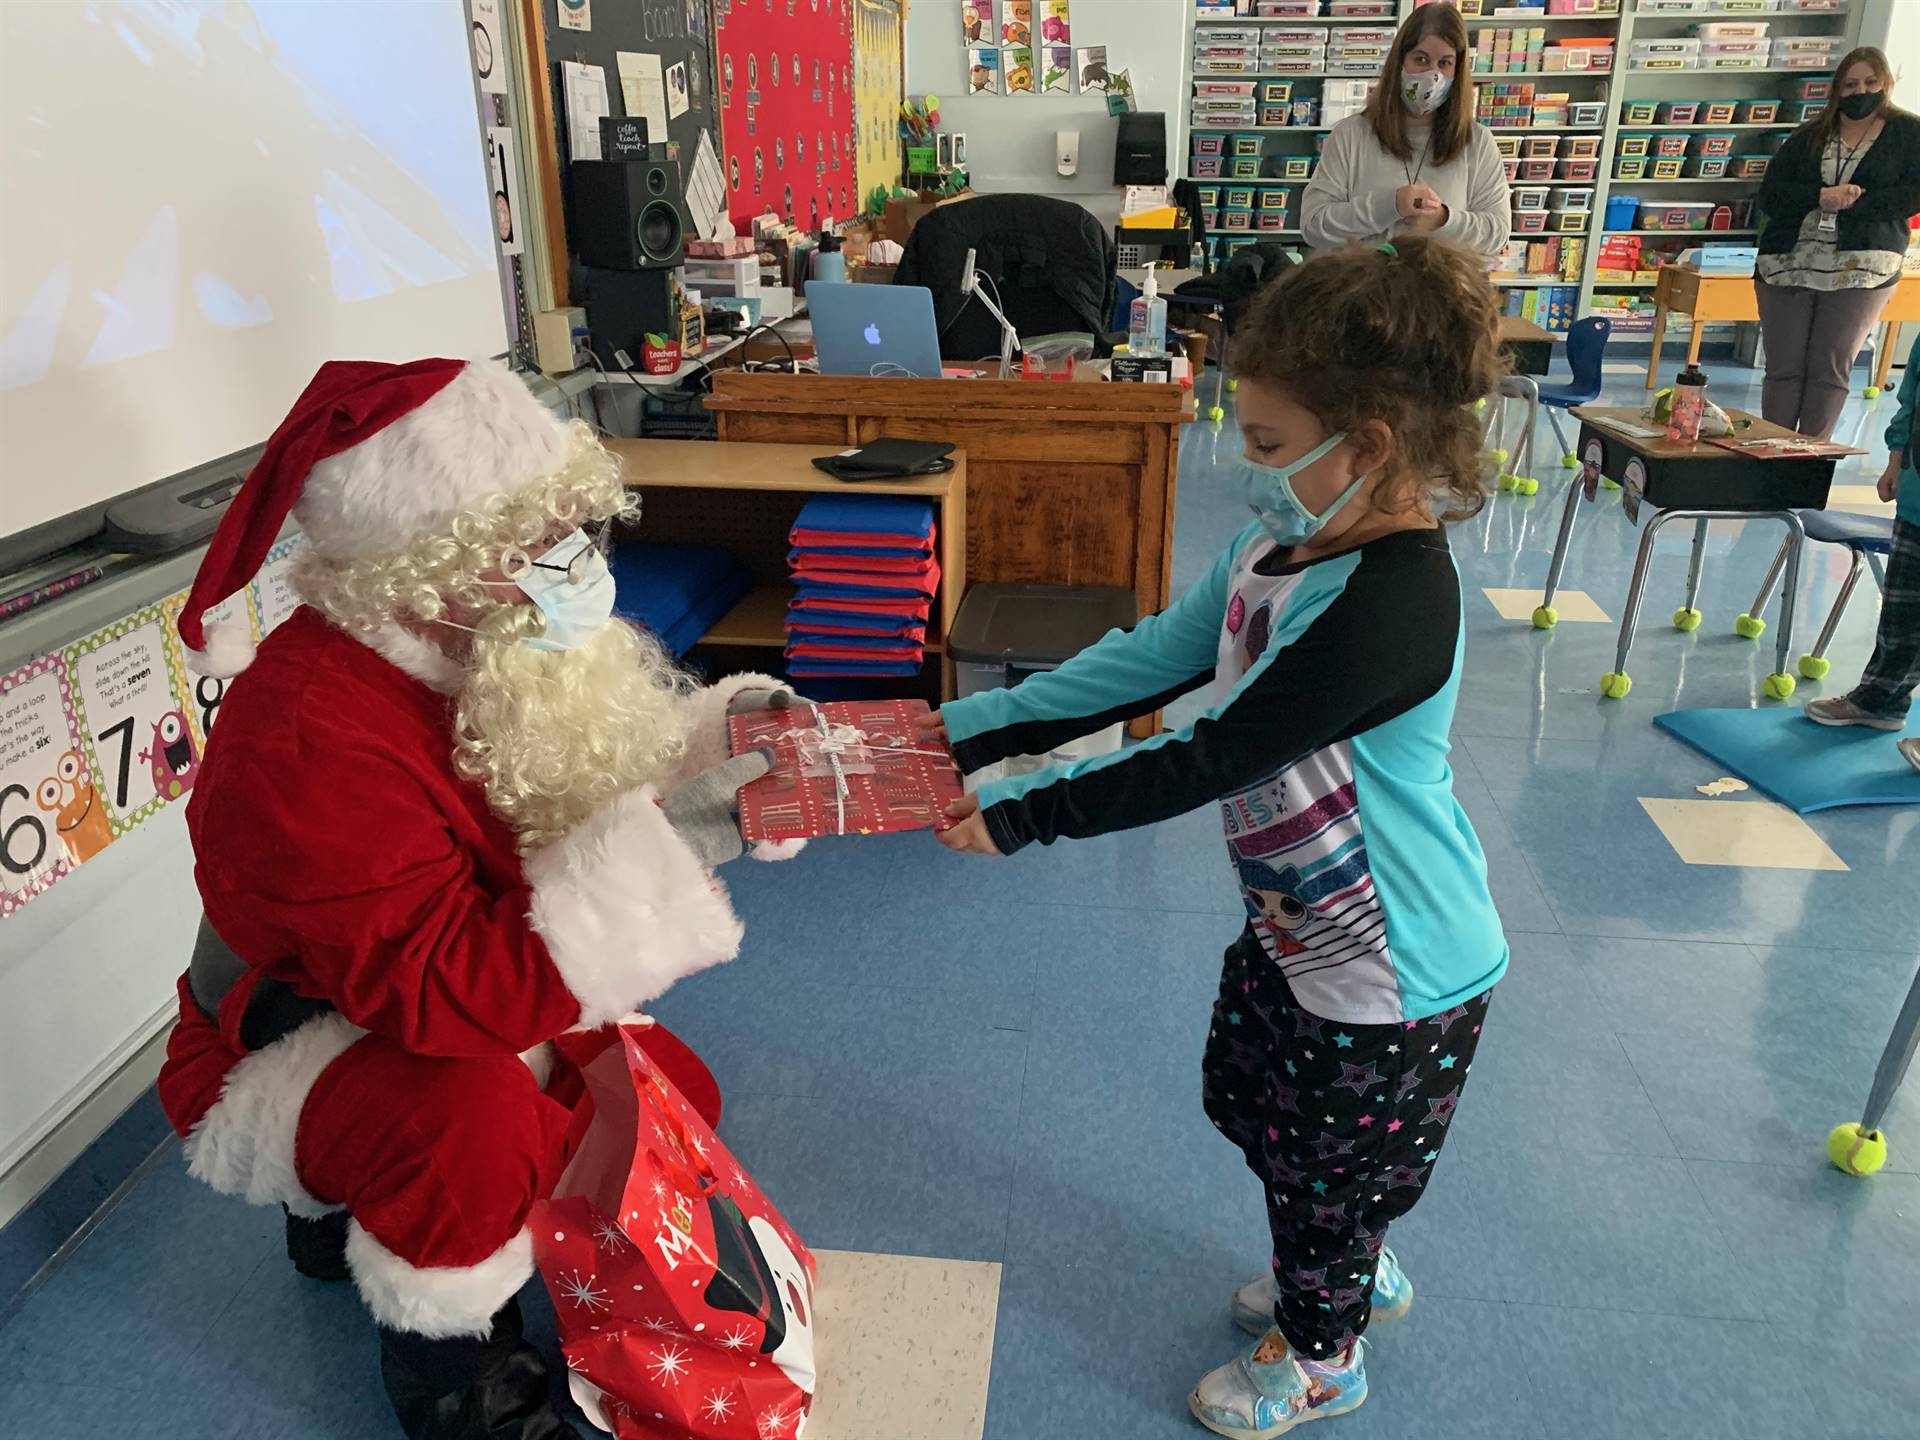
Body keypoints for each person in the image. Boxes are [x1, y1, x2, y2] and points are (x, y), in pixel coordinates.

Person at [924, 238, 1507, 1439]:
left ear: (1374, 446)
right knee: (1262, 1115)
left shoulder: (1394, 602)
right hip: (1300, 929)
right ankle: (1345, 1267)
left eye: (1271, 446)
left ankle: (1327, 1346)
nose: (1245, 468)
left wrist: (1028, 813)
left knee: (1324, 1167)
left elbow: (1215, 753)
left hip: (1395, 966)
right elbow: (1147, 662)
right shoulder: (1276, 550)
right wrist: (968, 731)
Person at [156, 359, 800, 1440]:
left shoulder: (479, 645)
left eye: (568, 528)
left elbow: (593, 785)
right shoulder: (312, 734)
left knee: (649, 1095)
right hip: (278, 1035)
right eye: (533, 542)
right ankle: (457, 1380)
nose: (573, 565)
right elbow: (450, 997)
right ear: (427, 570)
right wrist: (682, 833)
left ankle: (342, 1213)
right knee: (475, 1133)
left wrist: (725, 739)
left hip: (403, 973)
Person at [1754, 47, 1920, 440]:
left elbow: (1911, 194)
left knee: (1830, 366)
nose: (1860, 91)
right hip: (1791, 262)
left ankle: (1810, 457)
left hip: (1861, 267)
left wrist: (1856, 203)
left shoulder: (1908, 134)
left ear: (1884, 84)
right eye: (1850, 84)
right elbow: (1771, 194)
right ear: (1836, 89)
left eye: (1869, 82)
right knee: (1783, 367)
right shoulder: (1810, 135)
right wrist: (1820, 197)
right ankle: (1771, 454)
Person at [1300, 3, 1510, 259]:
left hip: (1441, 293)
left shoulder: (1477, 142)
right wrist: (1390, 206)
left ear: (1458, 69)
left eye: (1444, 63)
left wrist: (1443, 219)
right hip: (1362, 292)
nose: (1432, 75)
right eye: (1420, 59)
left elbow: (1497, 233)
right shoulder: (1351, 134)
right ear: (1400, 61)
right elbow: (1314, 226)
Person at [1805, 329, 1920, 773]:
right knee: (1902, 612)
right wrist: (1896, 460)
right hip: (1916, 492)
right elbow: (1910, 400)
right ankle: (1880, 699)